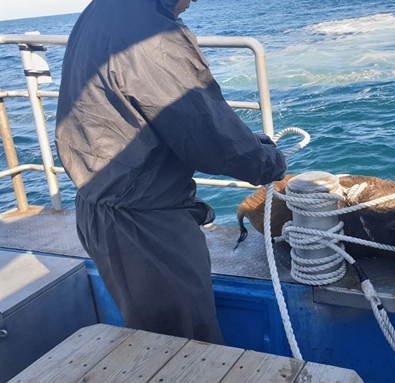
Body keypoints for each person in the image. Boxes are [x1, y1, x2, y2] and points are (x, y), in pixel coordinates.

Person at [55, 0, 287, 345]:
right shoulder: (150, 34)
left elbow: (143, 114)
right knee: (185, 349)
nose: (194, 2)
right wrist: (269, 161)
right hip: (143, 227)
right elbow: (207, 135)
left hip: (102, 208)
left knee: (158, 340)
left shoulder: (105, 9)